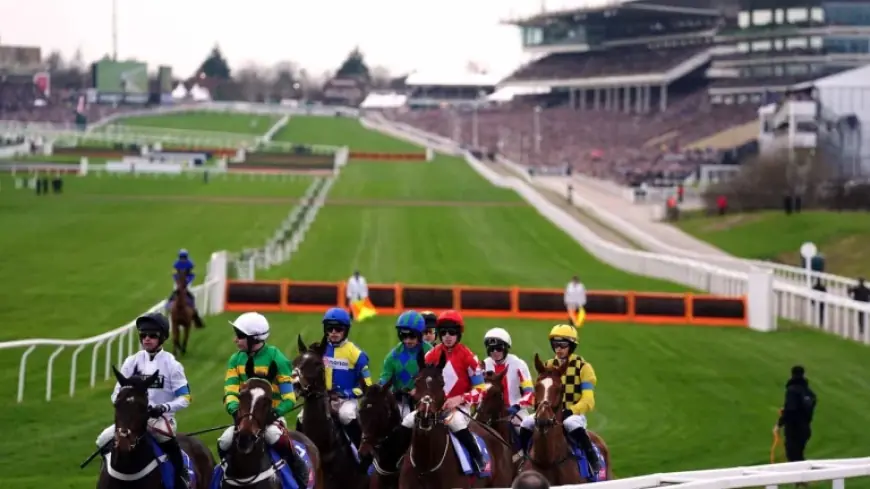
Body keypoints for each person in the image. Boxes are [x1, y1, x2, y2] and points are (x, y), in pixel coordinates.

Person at [95, 312, 192, 489]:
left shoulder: (173, 365)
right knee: (103, 440)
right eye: (143, 335)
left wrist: (164, 407)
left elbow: (185, 397)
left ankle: (181, 476)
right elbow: (117, 392)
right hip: (132, 419)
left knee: (167, 441)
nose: (146, 339)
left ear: (162, 337)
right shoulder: (131, 362)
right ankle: (107, 476)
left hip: (160, 419)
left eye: (152, 336)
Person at [217, 312, 309, 489]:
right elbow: (229, 391)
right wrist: (235, 410)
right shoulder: (235, 360)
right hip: (243, 418)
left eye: (239, 336)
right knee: (225, 441)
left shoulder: (277, 358)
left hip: (271, 419)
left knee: (274, 436)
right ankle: (220, 477)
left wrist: (274, 413)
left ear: (254, 339)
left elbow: (289, 398)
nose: (235, 340)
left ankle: (300, 473)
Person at [399, 310, 487, 472]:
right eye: (443, 332)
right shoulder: (431, 355)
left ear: (459, 334)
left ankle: (478, 458)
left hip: (459, 407)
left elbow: (481, 390)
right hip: (432, 406)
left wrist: (460, 399)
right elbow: (423, 383)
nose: (447, 336)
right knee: (407, 420)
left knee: (456, 422)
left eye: (452, 332)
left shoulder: (469, 358)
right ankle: (397, 460)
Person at [519, 324, 600, 476]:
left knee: (570, 423)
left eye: (563, 345)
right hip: (550, 413)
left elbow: (589, 400)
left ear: (572, 346)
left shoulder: (584, 368)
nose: (559, 349)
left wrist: (571, 410)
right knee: (526, 423)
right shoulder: (548, 366)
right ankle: (524, 457)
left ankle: (592, 459)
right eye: (556, 345)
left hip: (574, 414)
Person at [298, 307, 372, 448]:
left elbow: (366, 386)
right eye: (329, 329)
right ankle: (299, 453)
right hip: (323, 399)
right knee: (302, 417)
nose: (333, 333)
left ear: (346, 330)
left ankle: (361, 452)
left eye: (338, 329)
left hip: (346, 401)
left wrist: (345, 394)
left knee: (346, 415)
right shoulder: (320, 351)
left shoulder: (357, 355)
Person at [481, 328, 534, 437]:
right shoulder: (484, 365)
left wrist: (516, 407)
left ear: (505, 348)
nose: (495, 352)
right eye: (491, 349)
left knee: (527, 429)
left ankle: (528, 453)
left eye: (498, 348)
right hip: (489, 412)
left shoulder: (519, 364)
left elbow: (530, 393)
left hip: (515, 411)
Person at [379, 310, 434, 416]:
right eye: (404, 337)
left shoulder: (430, 353)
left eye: (412, 337)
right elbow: (385, 379)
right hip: (400, 401)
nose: (407, 341)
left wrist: (419, 390)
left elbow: (436, 379)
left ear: (420, 335)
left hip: (426, 401)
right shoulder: (392, 356)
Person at [774, 365, 816, 462]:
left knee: (793, 457)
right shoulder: (809, 392)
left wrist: (779, 424)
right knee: (798, 455)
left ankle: (801, 475)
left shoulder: (792, 390)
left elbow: (790, 410)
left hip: (794, 430)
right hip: (805, 428)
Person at [167, 249, 204, 327]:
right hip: (178, 280)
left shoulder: (189, 263)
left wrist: (186, 283)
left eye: (184, 257)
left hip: (188, 280)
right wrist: (178, 281)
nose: (183, 259)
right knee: (174, 291)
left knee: (190, 293)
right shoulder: (177, 263)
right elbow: (176, 273)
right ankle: (169, 304)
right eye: (182, 257)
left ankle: (193, 308)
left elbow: (189, 273)